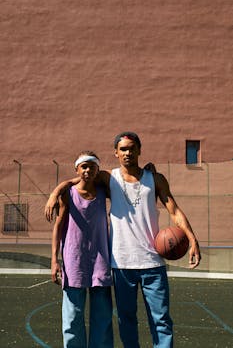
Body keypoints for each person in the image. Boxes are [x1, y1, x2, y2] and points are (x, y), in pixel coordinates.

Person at [46, 132, 201, 348]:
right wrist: (57, 190)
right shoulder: (109, 178)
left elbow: (174, 210)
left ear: (139, 150)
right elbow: (83, 176)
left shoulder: (155, 179)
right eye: (123, 149)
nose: (128, 152)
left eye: (132, 148)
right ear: (116, 153)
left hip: (153, 262)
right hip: (121, 263)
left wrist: (192, 239)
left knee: (162, 321)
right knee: (126, 321)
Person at [51, 150, 113, 348]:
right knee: (72, 316)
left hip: (101, 260)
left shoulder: (104, 191)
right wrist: (54, 260)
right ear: (76, 169)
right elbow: (58, 227)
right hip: (73, 259)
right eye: (83, 166)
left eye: (92, 166)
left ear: (97, 169)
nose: (87, 170)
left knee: (102, 317)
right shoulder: (68, 194)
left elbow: (118, 178)